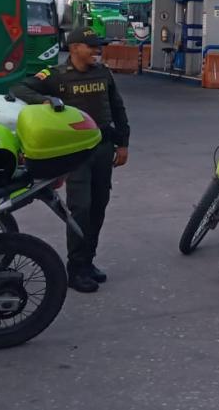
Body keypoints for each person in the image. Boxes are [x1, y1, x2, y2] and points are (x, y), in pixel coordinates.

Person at [12, 27, 130, 293]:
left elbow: (118, 108)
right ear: (75, 47)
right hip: (76, 153)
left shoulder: (104, 73)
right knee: (81, 208)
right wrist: (46, 101)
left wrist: (123, 143)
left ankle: (88, 262)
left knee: (99, 205)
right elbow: (20, 88)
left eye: (98, 46)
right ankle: (75, 269)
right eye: (91, 47)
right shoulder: (56, 76)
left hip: (102, 146)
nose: (97, 51)